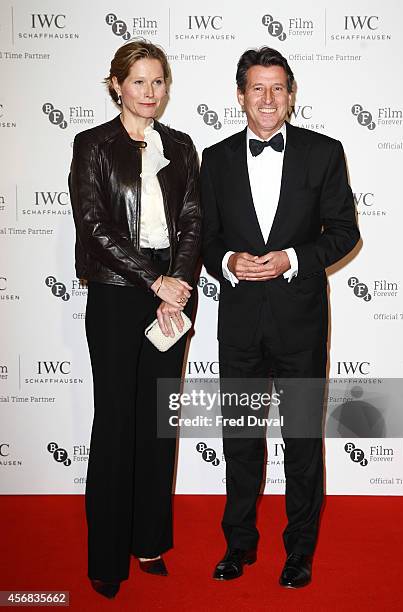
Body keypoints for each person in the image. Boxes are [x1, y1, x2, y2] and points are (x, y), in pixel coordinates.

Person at [201, 47, 360, 588]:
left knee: (302, 442)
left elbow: (345, 233)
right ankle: (239, 545)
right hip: (241, 324)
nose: (267, 99)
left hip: (301, 325)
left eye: (277, 88)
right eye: (256, 88)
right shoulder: (216, 158)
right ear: (240, 95)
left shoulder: (324, 152)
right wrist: (227, 261)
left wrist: (294, 258)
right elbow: (205, 238)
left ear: (291, 95)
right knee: (241, 438)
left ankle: (300, 552)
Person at [69, 40, 201, 599]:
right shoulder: (92, 144)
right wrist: (152, 281)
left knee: (157, 425)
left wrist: (177, 289)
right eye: (140, 81)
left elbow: (195, 216)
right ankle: (106, 557)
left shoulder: (181, 145)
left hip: (171, 298)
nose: (151, 92)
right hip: (118, 294)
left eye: (159, 82)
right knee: (117, 422)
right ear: (117, 85)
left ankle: (149, 540)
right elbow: (94, 226)